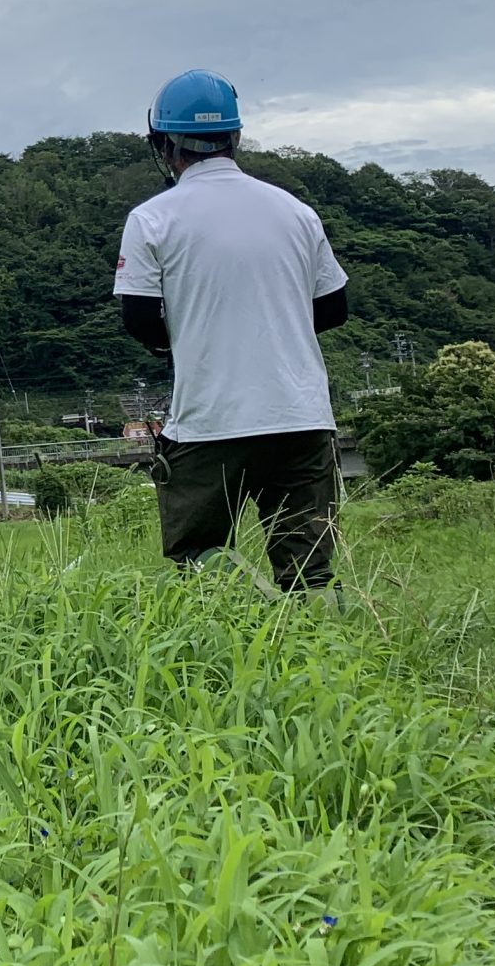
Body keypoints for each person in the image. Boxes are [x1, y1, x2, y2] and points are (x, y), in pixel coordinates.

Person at [113, 69, 349, 592]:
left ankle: (241, 620)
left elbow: (139, 320)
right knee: (309, 568)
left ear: (164, 144)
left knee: (199, 556)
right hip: (301, 416)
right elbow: (333, 309)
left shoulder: (152, 219)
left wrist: (186, 335)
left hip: (210, 420)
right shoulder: (296, 212)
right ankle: (315, 630)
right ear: (235, 137)